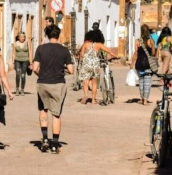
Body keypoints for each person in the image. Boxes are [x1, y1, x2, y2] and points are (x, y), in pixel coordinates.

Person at [32, 23, 75, 154]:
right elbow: (71, 70)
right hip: (58, 84)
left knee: (43, 110)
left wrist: (42, 74)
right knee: (56, 114)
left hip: (43, 83)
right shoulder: (64, 50)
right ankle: (55, 145)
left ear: (47, 35)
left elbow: (34, 68)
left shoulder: (40, 48)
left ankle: (45, 139)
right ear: (59, 35)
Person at [78, 28, 116, 105]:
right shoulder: (99, 45)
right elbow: (109, 51)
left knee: (86, 82)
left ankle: (85, 95)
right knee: (94, 83)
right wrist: (115, 55)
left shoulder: (85, 44)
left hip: (86, 64)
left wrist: (83, 58)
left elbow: (81, 54)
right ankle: (93, 100)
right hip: (95, 64)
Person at [130, 24, 156, 105]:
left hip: (139, 64)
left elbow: (136, 53)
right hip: (148, 64)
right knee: (147, 83)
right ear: (148, 31)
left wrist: (132, 63)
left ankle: (142, 98)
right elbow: (153, 53)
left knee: (141, 82)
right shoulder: (151, 41)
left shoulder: (137, 41)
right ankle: (145, 100)